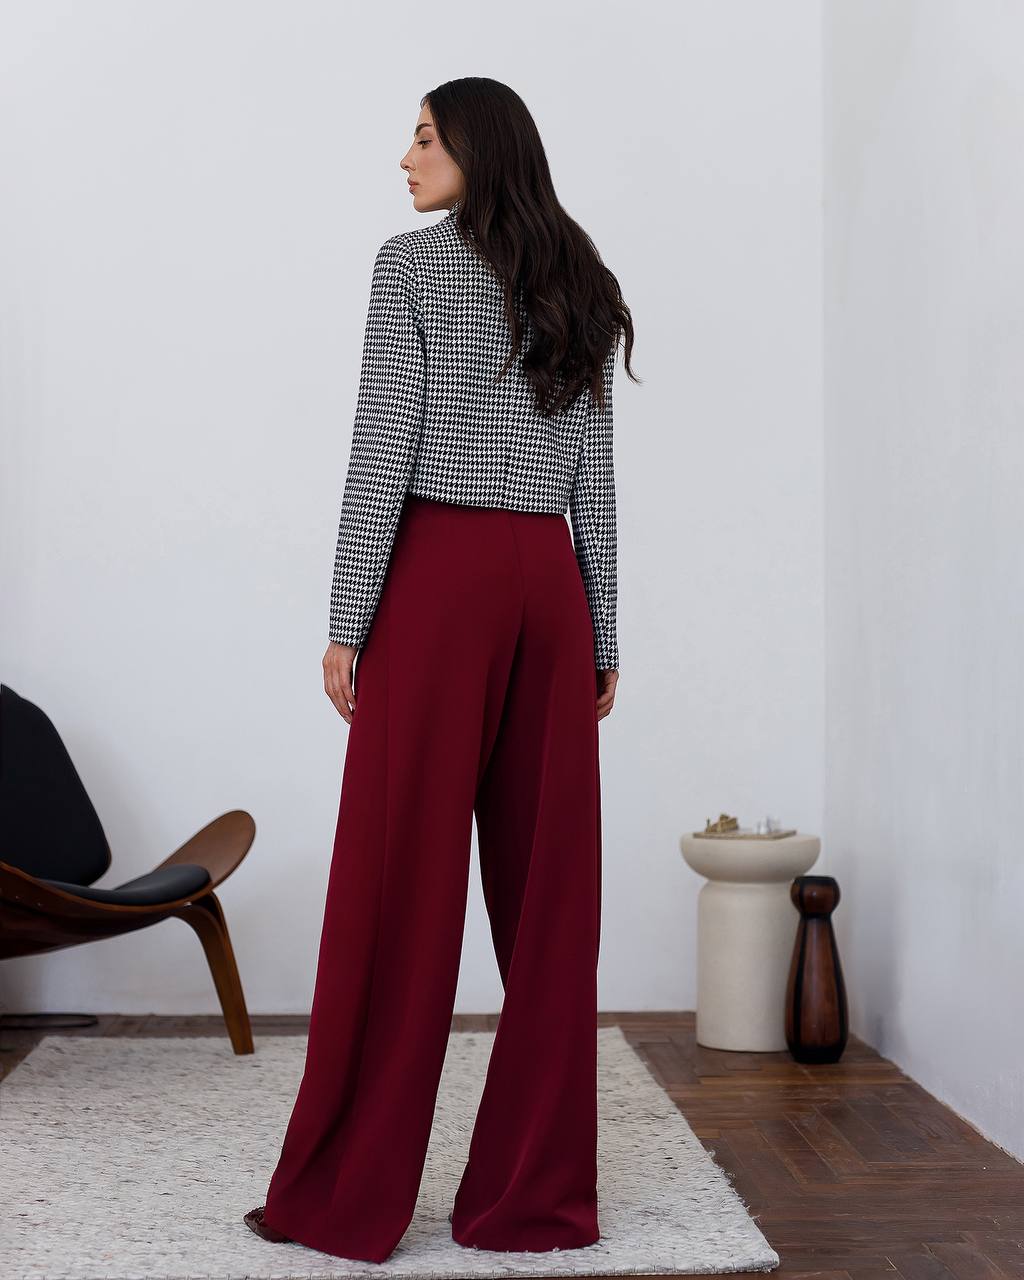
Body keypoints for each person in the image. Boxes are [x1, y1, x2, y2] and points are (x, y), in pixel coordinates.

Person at [244, 75, 636, 1265]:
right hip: (549, 590)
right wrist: (603, 632)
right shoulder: (583, 275)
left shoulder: (410, 267)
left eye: (422, 135)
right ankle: (533, 1200)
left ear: (476, 143)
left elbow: (384, 444)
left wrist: (347, 615)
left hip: (440, 576)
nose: (403, 157)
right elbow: (594, 479)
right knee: (549, 905)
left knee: (393, 888)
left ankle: (344, 1195)